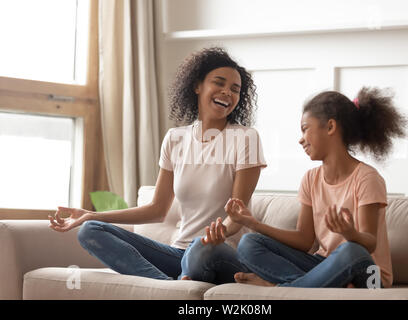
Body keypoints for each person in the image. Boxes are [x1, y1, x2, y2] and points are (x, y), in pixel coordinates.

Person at [48, 47, 266, 282]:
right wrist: (91, 215)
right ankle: (171, 288)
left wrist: (219, 233)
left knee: (200, 248)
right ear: (197, 86)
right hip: (179, 253)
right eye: (219, 83)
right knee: (91, 230)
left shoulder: (245, 138)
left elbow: (238, 214)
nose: (227, 93)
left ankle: (177, 285)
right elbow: (157, 209)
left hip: (219, 252)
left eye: (235, 89)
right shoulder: (175, 138)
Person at [224, 87, 408, 288]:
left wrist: (350, 233)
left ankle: (282, 288)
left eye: (305, 128)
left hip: (370, 275)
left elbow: (369, 243)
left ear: (330, 127)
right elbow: (304, 240)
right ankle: (316, 285)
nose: (300, 139)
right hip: (326, 265)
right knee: (249, 243)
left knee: (351, 250)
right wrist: (254, 223)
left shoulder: (367, 178)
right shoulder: (310, 179)